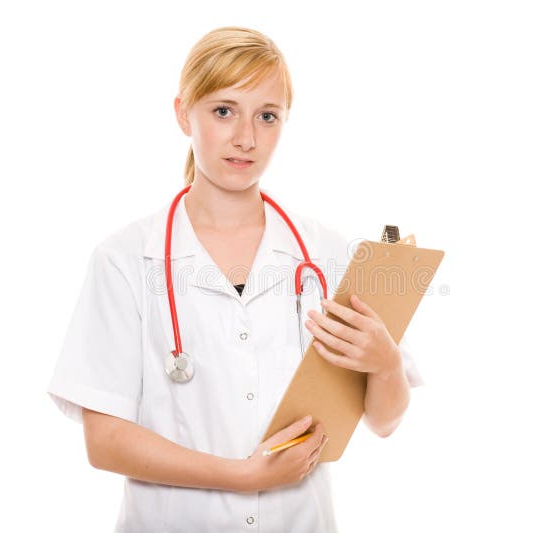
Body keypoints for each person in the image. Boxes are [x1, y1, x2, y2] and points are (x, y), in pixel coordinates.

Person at [47, 25, 425, 533]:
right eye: (223, 110)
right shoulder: (123, 259)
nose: (246, 137)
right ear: (184, 113)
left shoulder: (329, 254)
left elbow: (383, 422)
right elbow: (105, 441)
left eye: (267, 116)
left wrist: (385, 364)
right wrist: (243, 477)